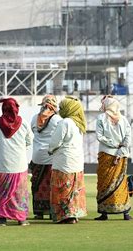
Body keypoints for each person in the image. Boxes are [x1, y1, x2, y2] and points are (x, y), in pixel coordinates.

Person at [0, 98, 33, 226]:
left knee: (2, 192)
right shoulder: (24, 123)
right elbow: (30, 140)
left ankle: (2, 218)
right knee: (20, 193)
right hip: (19, 164)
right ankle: (21, 219)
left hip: (3, 164)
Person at [48, 96, 87, 224]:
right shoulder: (79, 124)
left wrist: (50, 149)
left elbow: (55, 141)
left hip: (64, 161)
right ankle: (73, 215)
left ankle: (62, 216)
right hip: (77, 161)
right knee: (74, 189)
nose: (60, 110)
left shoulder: (65, 122)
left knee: (62, 189)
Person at [94, 95, 133, 221]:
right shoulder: (124, 119)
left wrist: (113, 144)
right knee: (121, 182)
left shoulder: (101, 118)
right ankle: (125, 213)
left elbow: (99, 136)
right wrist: (121, 147)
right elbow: (128, 137)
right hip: (121, 154)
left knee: (104, 183)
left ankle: (104, 213)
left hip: (106, 153)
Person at [29, 95, 62, 220]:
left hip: (37, 156)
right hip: (51, 156)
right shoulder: (57, 119)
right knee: (51, 184)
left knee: (37, 184)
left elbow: (33, 132)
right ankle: (52, 210)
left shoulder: (34, 119)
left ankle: (39, 212)